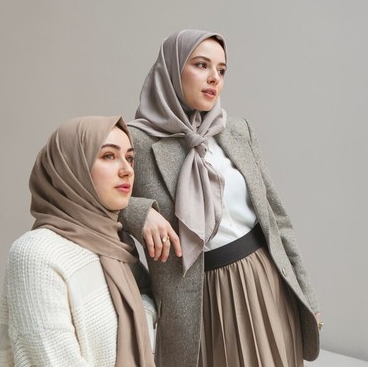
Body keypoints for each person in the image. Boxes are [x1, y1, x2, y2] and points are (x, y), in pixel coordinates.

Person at [119, 30, 323, 367]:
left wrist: (307, 296)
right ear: (172, 69)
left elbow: (277, 219)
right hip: (198, 301)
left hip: (266, 280)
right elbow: (89, 200)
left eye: (222, 70)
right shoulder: (136, 141)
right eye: (201, 65)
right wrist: (140, 213)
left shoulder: (237, 130)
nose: (214, 77)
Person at [0, 116, 156, 367]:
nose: (127, 169)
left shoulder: (116, 246)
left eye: (129, 158)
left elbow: (149, 300)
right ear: (72, 169)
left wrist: (144, 215)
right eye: (108, 156)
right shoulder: (36, 254)